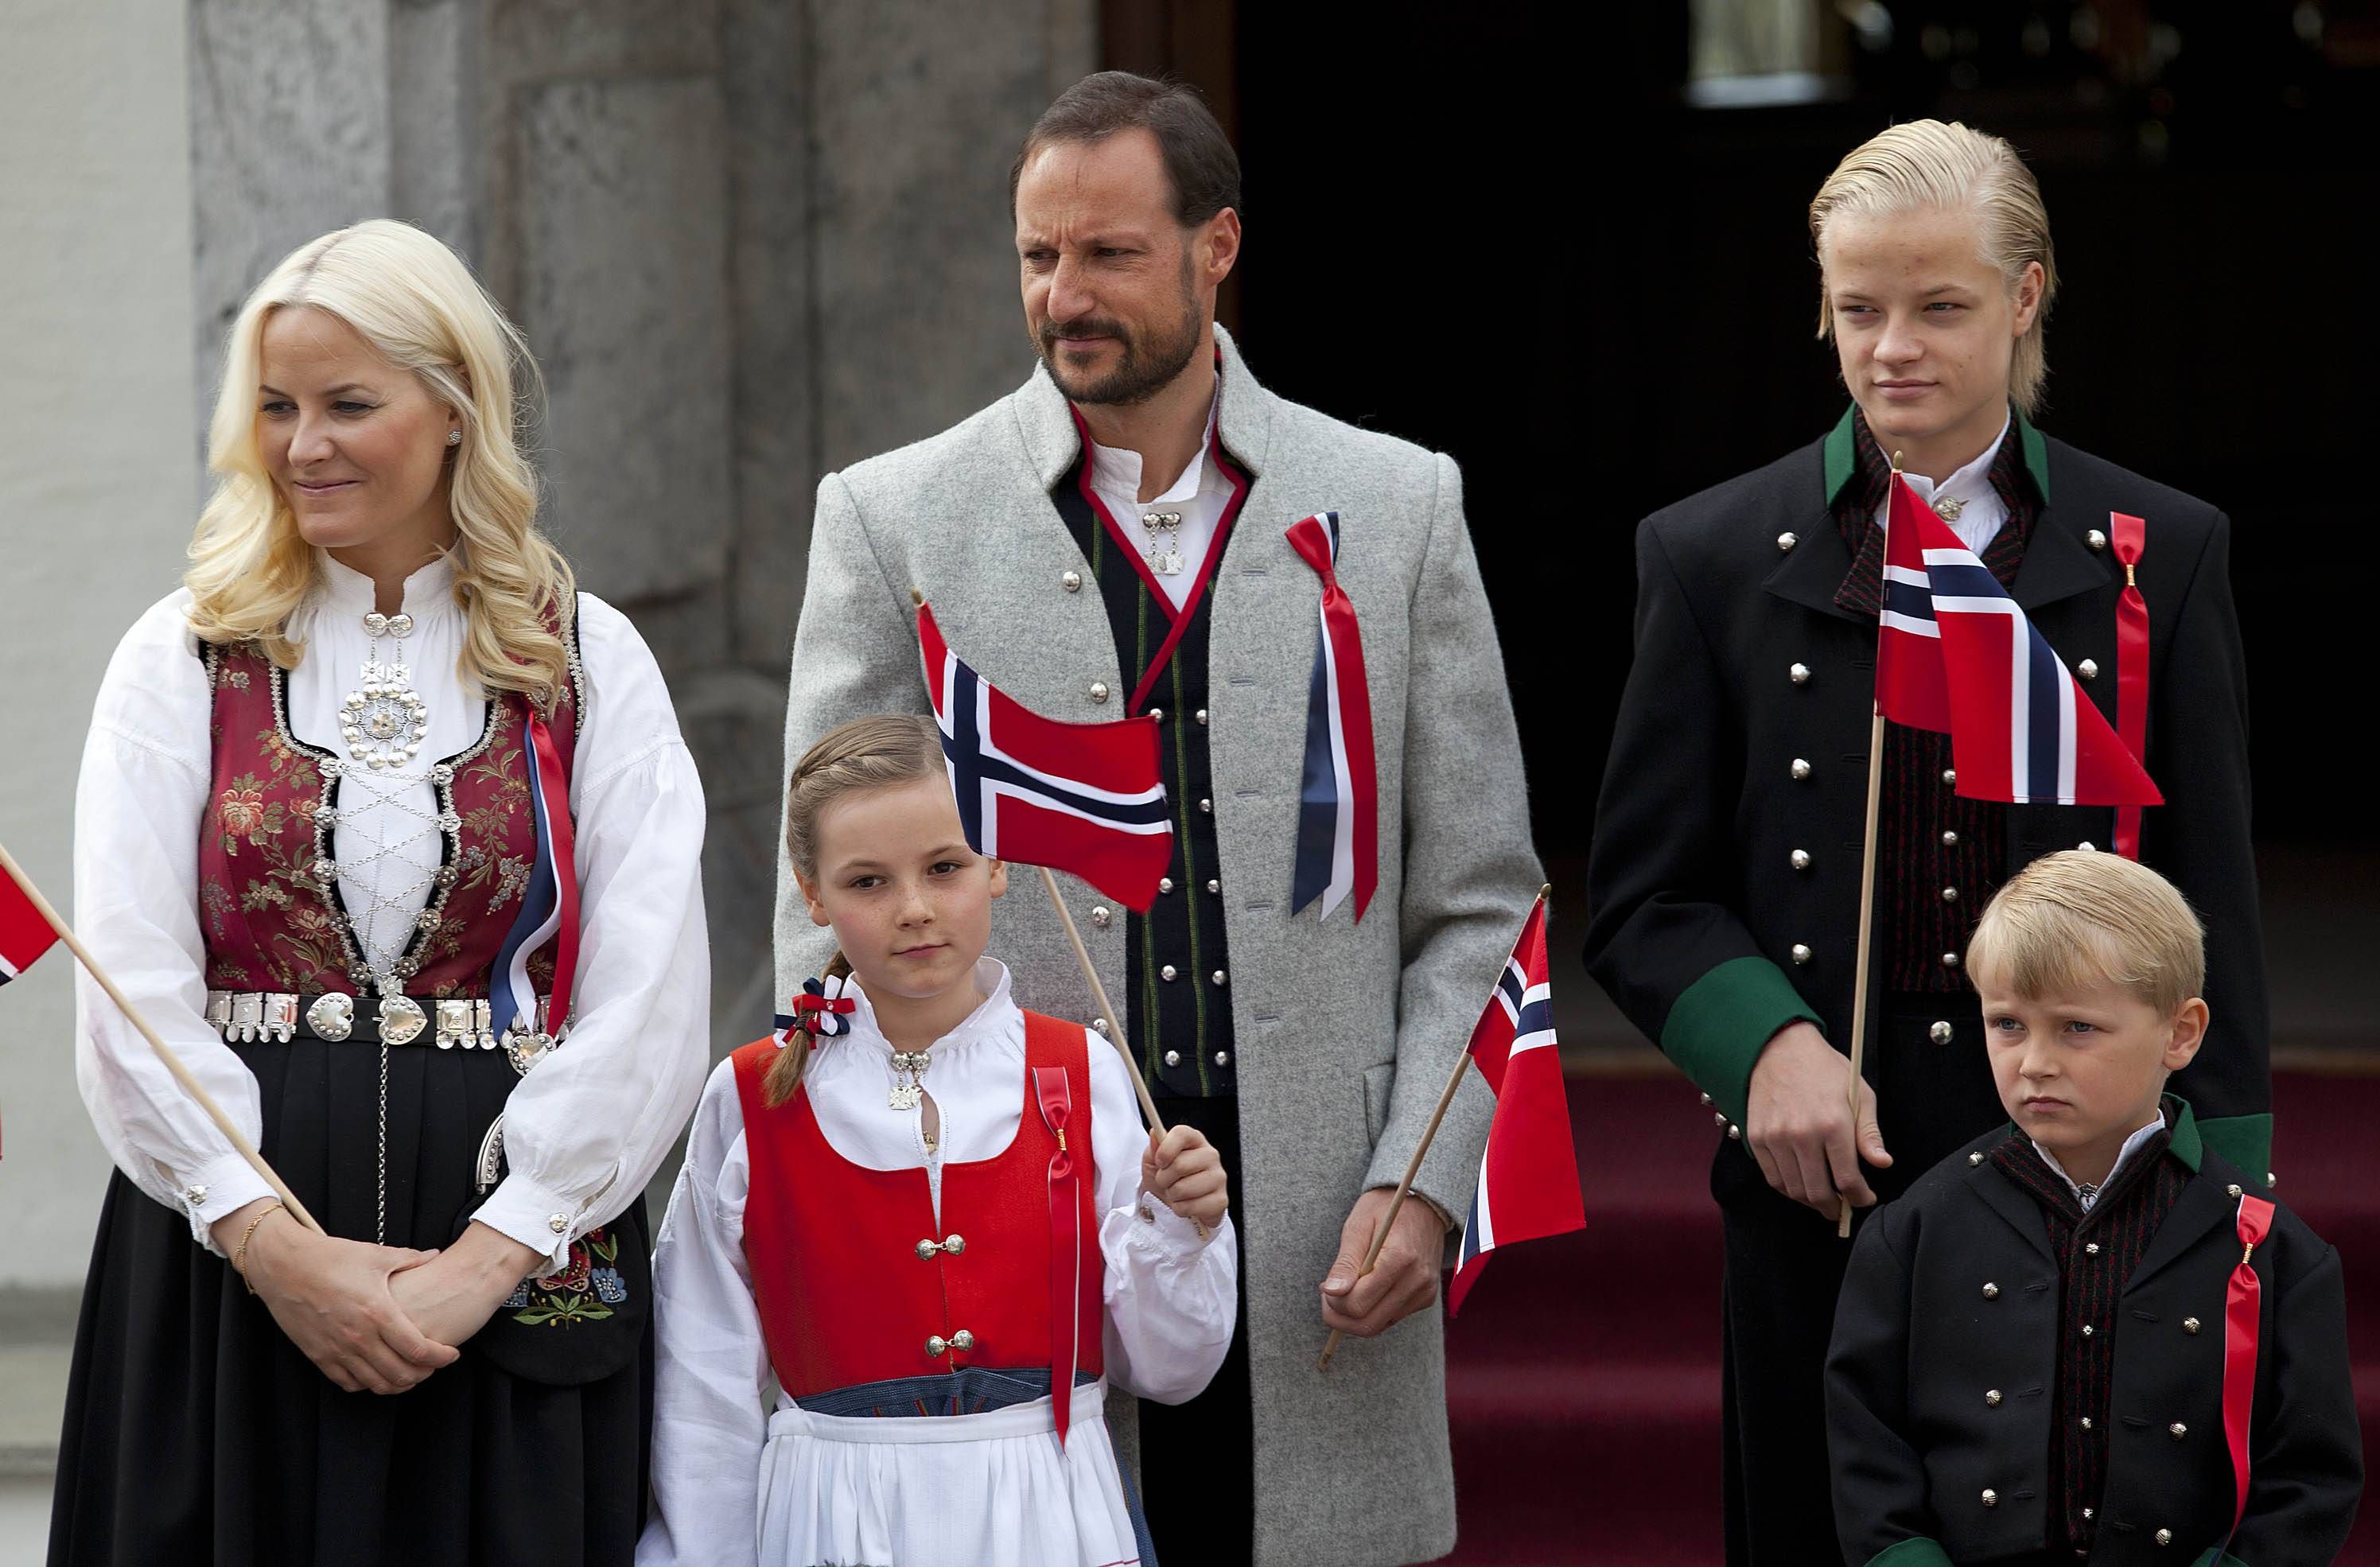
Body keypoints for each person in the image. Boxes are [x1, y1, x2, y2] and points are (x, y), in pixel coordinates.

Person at [772, 72, 1539, 1566]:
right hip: (1009, 1213)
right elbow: (824, 910)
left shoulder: (1393, 508)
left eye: (1109, 254)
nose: (1064, 295)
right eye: (1037, 257)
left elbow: (1483, 904)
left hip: (1331, 1199)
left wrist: (1425, 1177)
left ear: (1217, 248)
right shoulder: (891, 521)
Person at [1583, 120, 2269, 1563]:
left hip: (2082, 1158)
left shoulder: (2160, 550)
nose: (1892, 346)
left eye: (1939, 305)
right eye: (1858, 308)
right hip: (1823, 1167)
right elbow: (1644, 895)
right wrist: (1763, 1048)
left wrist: (2227, 1185)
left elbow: (2214, 903)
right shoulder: (1709, 555)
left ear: (2024, 298)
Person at [49, 219, 710, 1565]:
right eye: (278, 408)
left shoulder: (584, 656)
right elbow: (126, 979)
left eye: (350, 403)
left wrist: (493, 1256)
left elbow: (652, 988)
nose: (306, 444)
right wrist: (276, 1252)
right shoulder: (184, 654)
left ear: (456, 409)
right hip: (230, 1252)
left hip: (518, 1249)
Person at [639, 713, 1235, 1567]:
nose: (913, 908)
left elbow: (1171, 1369)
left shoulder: (1081, 1070)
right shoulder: (750, 1096)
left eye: (944, 866)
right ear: (812, 893)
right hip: (833, 1519)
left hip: (1048, 1511)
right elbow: (702, 1384)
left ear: (996, 863)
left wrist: (1183, 1226)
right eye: (868, 881)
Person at [1826, 851, 2360, 1564]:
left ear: (2182, 1033)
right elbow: (1868, 1449)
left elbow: (2309, 1478)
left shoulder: (2272, 1251)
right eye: (2008, 1024)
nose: (2034, 1062)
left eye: (2077, 1028)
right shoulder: (1913, 1231)